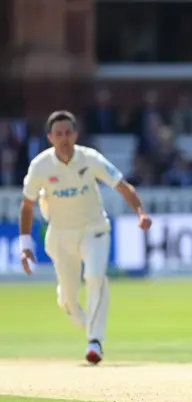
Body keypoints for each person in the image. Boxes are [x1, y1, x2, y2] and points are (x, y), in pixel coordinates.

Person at [18, 111, 153, 365]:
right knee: (69, 297)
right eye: (59, 134)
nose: (64, 139)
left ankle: (95, 341)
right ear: (50, 138)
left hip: (94, 229)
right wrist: (25, 245)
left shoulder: (90, 159)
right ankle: (69, 305)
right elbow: (27, 205)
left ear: (76, 135)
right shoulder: (41, 166)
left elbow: (122, 186)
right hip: (60, 235)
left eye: (68, 133)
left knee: (95, 277)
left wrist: (141, 212)